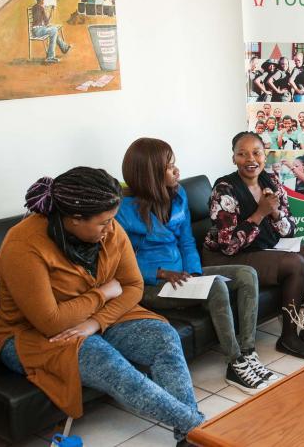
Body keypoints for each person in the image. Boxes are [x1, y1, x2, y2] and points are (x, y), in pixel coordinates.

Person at [0, 167, 204, 444]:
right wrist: (103, 293)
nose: (111, 228)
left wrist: (95, 322)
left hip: (95, 318)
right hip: (32, 334)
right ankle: (201, 429)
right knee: (105, 360)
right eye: (103, 223)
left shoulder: (108, 226)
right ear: (73, 219)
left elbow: (132, 286)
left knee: (164, 338)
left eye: (112, 219)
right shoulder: (24, 245)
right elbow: (50, 321)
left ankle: (190, 437)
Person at [116, 138, 276, 393]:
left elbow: (188, 241)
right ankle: (234, 363)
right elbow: (117, 260)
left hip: (183, 275)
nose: (177, 171)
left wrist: (195, 273)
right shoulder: (122, 211)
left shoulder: (178, 196)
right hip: (151, 285)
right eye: (170, 167)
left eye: (174, 164)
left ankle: (247, 352)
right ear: (150, 174)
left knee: (247, 274)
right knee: (215, 289)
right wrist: (157, 272)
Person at [202, 132, 304, 361]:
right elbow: (228, 245)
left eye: (256, 153)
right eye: (242, 154)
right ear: (234, 159)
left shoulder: (271, 182)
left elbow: (289, 230)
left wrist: (275, 211)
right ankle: (288, 338)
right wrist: (260, 213)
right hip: (227, 257)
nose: (251, 159)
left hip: (261, 248)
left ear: (264, 155)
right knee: (295, 264)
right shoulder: (224, 190)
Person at [31, 0, 72, 64]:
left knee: (54, 30)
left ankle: (64, 47)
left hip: (39, 29)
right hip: (37, 30)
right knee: (54, 30)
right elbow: (39, 20)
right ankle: (50, 57)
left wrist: (50, 12)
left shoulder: (39, 7)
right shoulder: (38, 8)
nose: (43, 0)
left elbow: (46, 21)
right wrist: (45, 22)